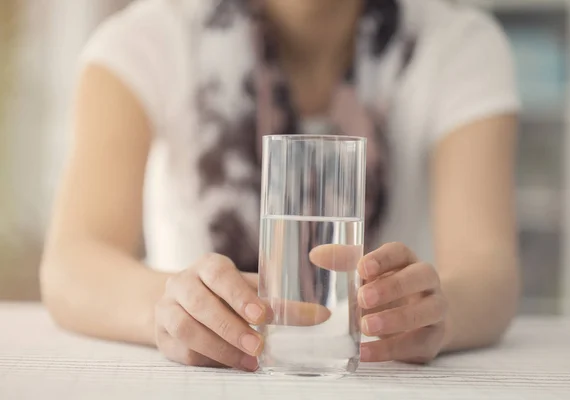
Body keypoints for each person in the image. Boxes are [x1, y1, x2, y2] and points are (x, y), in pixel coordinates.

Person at [40, 0, 521, 372]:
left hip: (375, 378)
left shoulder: (459, 45)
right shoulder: (145, 38)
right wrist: (166, 309)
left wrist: (438, 312)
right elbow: (71, 263)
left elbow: (489, 271)